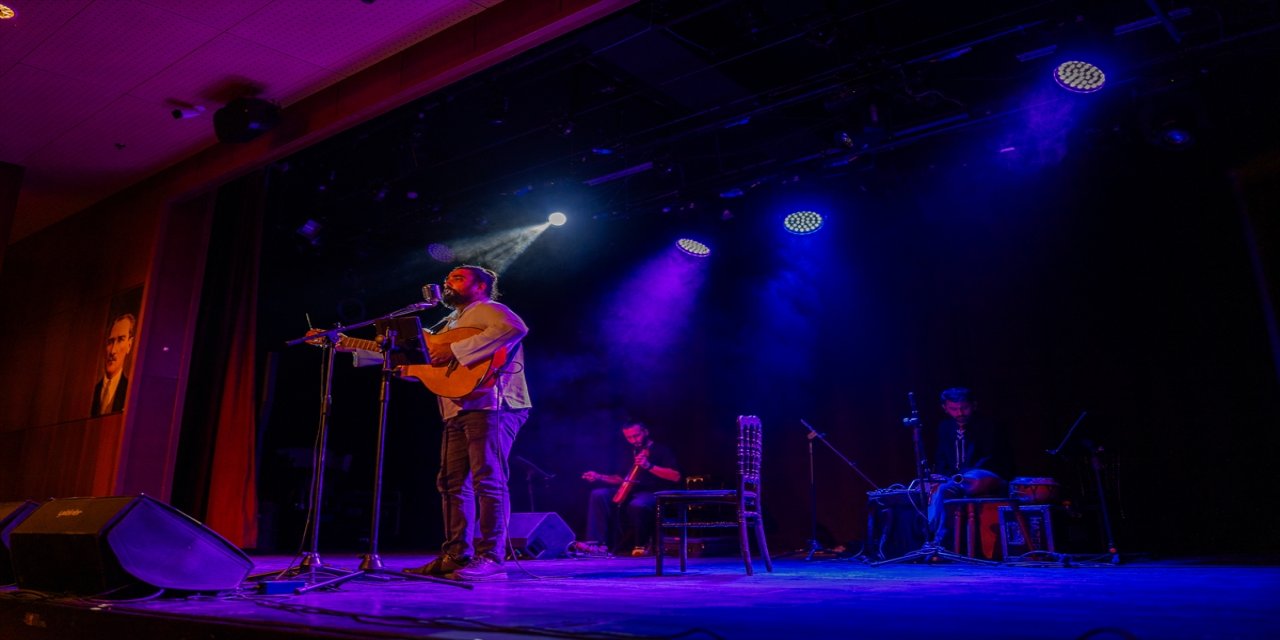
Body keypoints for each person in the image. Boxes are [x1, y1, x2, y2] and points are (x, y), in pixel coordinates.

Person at [396, 265, 532, 581]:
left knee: (487, 478)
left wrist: (455, 350)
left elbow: (515, 328)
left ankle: (491, 558)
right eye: (448, 279)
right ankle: (456, 555)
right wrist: (350, 345)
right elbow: (434, 363)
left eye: (457, 278)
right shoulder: (448, 323)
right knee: (451, 483)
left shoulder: (490, 309)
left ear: (481, 285)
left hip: (494, 405)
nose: (448, 282)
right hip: (458, 408)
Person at [580, 421, 681, 556]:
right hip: (631, 490)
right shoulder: (629, 452)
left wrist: (649, 466)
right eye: (629, 437)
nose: (633, 440)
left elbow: (675, 476)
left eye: (636, 435)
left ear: (645, 432)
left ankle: (642, 545)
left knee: (638, 504)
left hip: (654, 491)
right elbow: (621, 479)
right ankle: (596, 544)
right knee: (598, 494)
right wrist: (599, 477)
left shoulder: (661, 450)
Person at [926, 387, 1011, 546]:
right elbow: (942, 456)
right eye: (954, 409)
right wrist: (939, 476)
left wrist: (962, 475)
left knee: (949, 489)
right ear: (945, 408)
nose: (960, 413)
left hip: (983, 476)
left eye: (964, 408)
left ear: (974, 405)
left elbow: (990, 458)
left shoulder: (988, 426)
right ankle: (932, 537)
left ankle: (939, 541)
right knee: (932, 489)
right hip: (955, 479)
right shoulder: (944, 427)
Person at [91, 313, 135, 417]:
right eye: (110, 341)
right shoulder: (92, 392)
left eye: (120, 340)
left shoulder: (130, 392)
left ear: (129, 344)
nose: (113, 351)